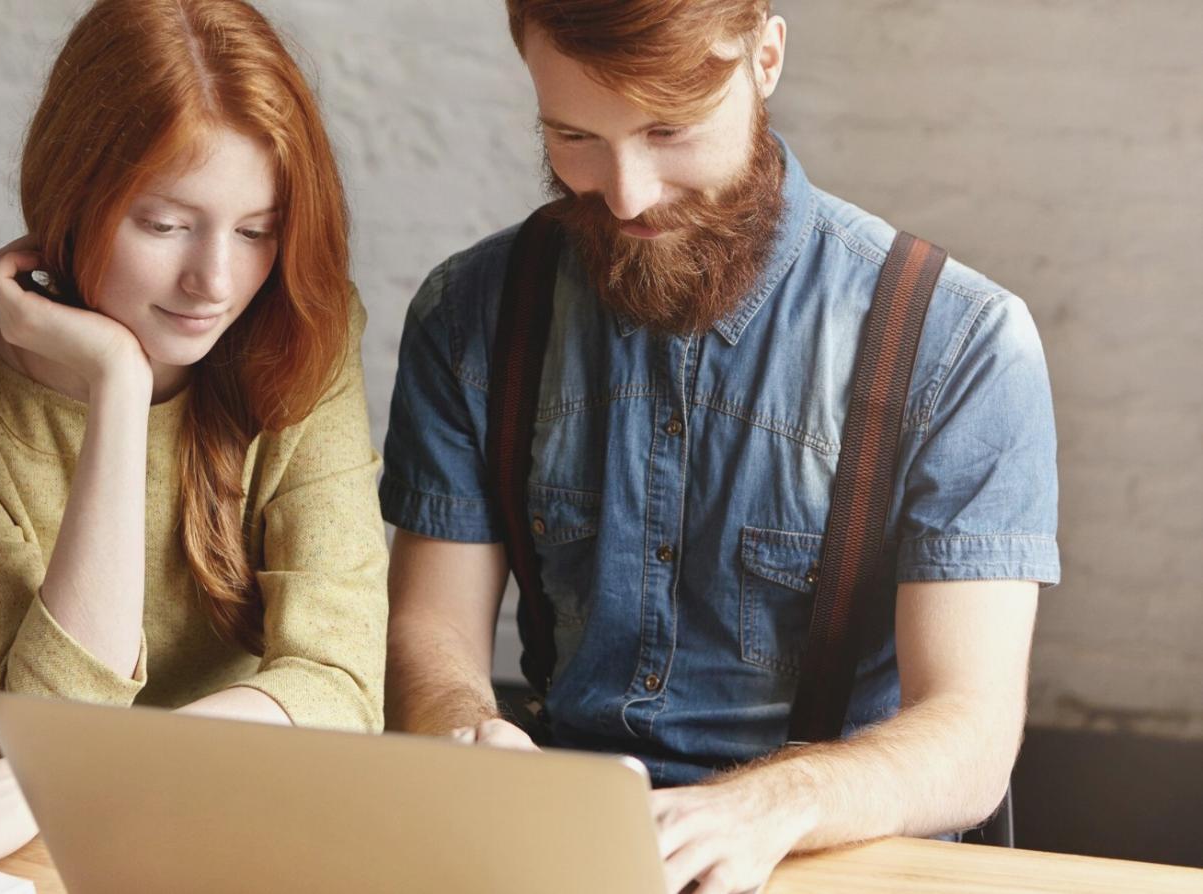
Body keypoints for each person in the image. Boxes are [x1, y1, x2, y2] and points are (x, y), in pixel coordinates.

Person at [381, 2, 1058, 892]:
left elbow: (968, 733)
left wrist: (767, 806)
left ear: (765, 57)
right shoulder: (471, 314)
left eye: (670, 128)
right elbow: (430, 633)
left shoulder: (959, 341)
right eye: (573, 135)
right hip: (566, 851)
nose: (625, 194)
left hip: (833, 856)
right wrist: (465, 729)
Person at [0, 2, 387, 892]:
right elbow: (34, 729)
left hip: (209, 800)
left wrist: (85, 772)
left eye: (257, 230)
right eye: (166, 224)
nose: (215, 283)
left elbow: (340, 685)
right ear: (71, 197)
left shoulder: (304, 340)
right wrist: (118, 386)